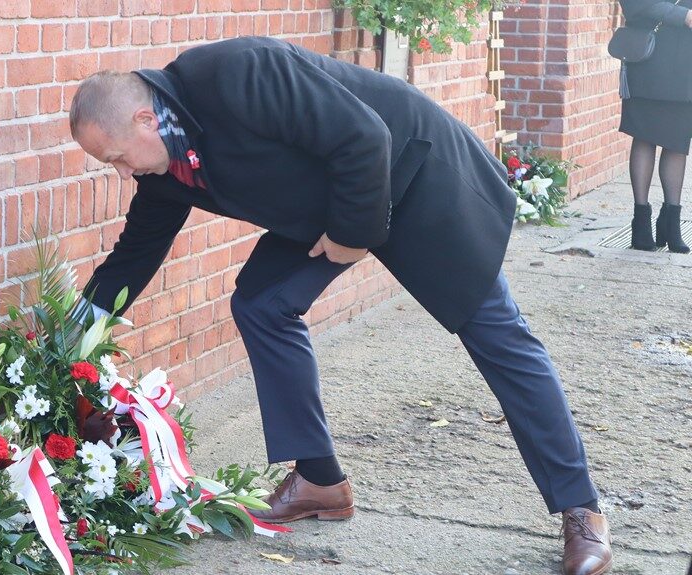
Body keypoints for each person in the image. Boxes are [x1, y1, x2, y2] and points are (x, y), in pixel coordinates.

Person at [69, 37, 611, 575]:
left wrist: (353, 235)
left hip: (409, 174)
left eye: (117, 159)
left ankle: (581, 509)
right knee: (262, 304)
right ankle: (320, 481)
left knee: (496, 333)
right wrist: (68, 340)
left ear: (146, 120)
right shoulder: (166, 170)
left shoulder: (235, 72)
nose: (122, 173)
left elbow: (364, 135)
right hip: (330, 208)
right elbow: (134, 255)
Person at [620, 0, 692, 253]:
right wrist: (683, 16)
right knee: (644, 136)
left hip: (686, 63)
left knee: (677, 141)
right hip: (649, 56)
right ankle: (641, 221)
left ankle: (671, 222)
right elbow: (634, 5)